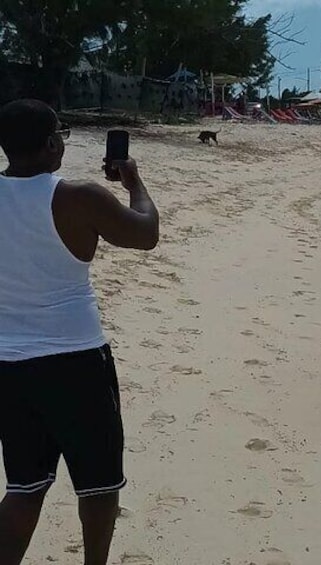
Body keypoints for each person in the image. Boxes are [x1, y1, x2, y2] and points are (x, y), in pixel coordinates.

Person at [0, 99, 159, 565]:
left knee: (25, 486)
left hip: (8, 363)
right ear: (52, 144)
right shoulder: (78, 196)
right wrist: (135, 183)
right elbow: (145, 233)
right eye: (62, 136)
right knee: (98, 484)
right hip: (75, 358)